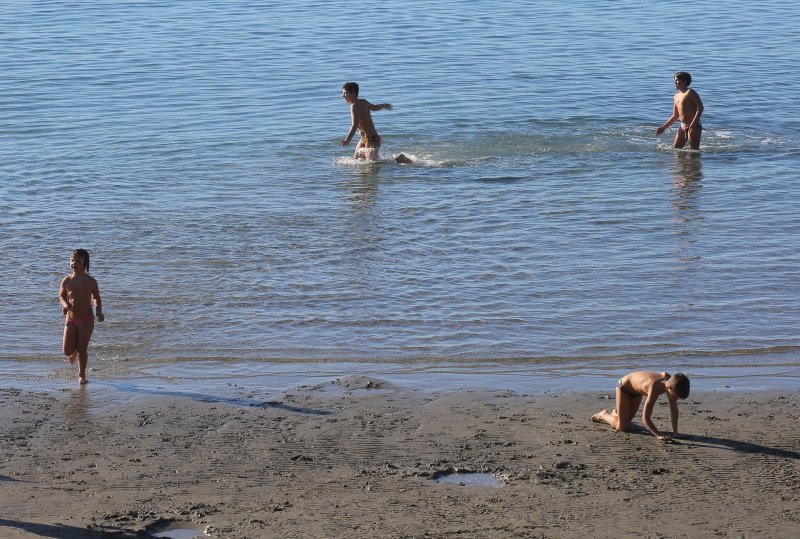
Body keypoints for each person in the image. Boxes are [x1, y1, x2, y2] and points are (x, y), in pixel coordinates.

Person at [591, 371, 690, 441]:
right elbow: (645, 417)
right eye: (675, 396)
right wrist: (658, 435)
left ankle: (616, 413)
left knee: (627, 422)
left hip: (637, 392)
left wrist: (675, 433)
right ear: (668, 387)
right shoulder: (654, 388)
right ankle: (603, 415)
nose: (675, 400)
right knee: (622, 427)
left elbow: (674, 409)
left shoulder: (671, 381)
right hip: (623, 387)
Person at [59, 249, 104, 385]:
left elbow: (96, 297)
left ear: (85, 264)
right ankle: (73, 353)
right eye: (72, 260)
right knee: (67, 350)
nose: (74, 263)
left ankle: (81, 375)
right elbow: (61, 296)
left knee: (82, 348)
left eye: (78, 261)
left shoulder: (91, 281)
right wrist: (65, 305)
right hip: (71, 319)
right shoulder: (67, 281)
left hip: (86, 320)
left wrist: (99, 311)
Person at [340, 82, 412, 164]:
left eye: (345, 93)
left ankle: (400, 158)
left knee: (374, 164)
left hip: (371, 139)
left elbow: (355, 125)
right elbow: (374, 108)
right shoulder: (363, 101)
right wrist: (383, 105)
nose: (343, 96)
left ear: (353, 93)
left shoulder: (354, 106)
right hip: (363, 139)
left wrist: (347, 139)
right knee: (357, 161)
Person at [655, 71, 704, 150]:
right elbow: (675, 115)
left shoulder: (690, 92)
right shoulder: (676, 96)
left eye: (677, 80)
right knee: (676, 149)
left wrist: (693, 123)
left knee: (694, 151)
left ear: (684, 81)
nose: (675, 82)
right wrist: (663, 128)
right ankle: (682, 163)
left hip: (694, 126)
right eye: (674, 80)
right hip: (682, 126)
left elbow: (700, 108)